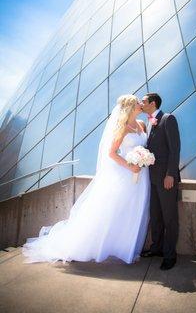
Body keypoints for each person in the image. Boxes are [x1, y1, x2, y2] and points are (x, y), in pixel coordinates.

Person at [22, 95, 150, 265]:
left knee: (134, 210)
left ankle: (126, 247)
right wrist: (130, 165)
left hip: (142, 177)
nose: (140, 105)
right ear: (130, 108)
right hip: (127, 174)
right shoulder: (123, 128)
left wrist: (144, 158)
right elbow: (111, 153)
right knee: (113, 211)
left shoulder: (141, 125)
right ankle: (96, 246)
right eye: (137, 103)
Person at [141, 93, 181, 271]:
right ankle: (156, 248)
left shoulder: (167, 119)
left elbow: (175, 149)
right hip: (152, 179)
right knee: (155, 216)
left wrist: (170, 174)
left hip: (166, 179)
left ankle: (170, 256)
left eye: (143, 101)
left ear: (153, 103)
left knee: (169, 217)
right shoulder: (148, 122)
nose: (141, 103)